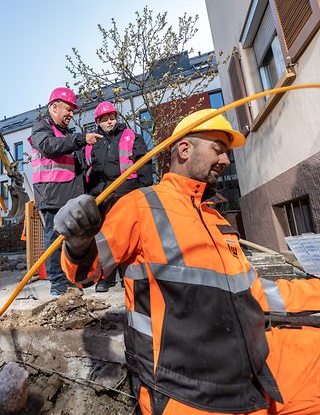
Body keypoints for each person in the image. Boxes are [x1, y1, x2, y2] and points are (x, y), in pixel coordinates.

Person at [54, 109, 320, 414]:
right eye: (218, 150)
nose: (226, 161)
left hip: (253, 376)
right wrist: (77, 243)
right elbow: (85, 272)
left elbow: (254, 292)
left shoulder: (216, 218)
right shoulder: (142, 205)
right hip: (186, 392)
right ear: (184, 149)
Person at [29, 87, 102, 297]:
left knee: (73, 239)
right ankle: (58, 283)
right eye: (68, 109)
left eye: (72, 110)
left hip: (70, 194)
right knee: (54, 239)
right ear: (54, 107)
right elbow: (50, 147)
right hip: (53, 195)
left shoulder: (67, 133)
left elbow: (77, 165)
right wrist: (80, 139)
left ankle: (70, 279)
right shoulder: (41, 127)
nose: (71, 114)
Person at [86, 101, 153, 292]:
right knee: (103, 238)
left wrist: (143, 187)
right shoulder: (92, 144)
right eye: (105, 119)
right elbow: (86, 168)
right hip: (101, 196)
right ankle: (106, 277)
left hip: (126, 192)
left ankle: (129, 275)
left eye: (112, 118)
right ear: (98, 122)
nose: (109, 122)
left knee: (129, 235)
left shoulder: (131, 136)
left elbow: (144, 163)